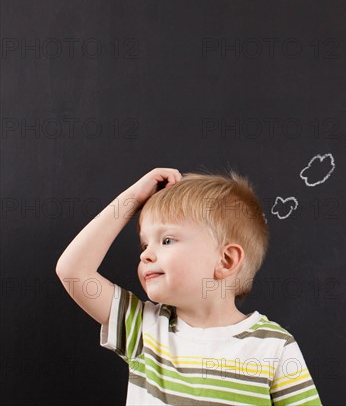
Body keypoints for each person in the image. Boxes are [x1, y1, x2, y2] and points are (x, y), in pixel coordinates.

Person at [56, 167, 322, 405]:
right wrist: (133, 199)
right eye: (144, 244)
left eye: (167, 240)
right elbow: (72, 271)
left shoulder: (273, 347)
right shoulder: (145, 330)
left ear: (226, 260)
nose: (145, 255)